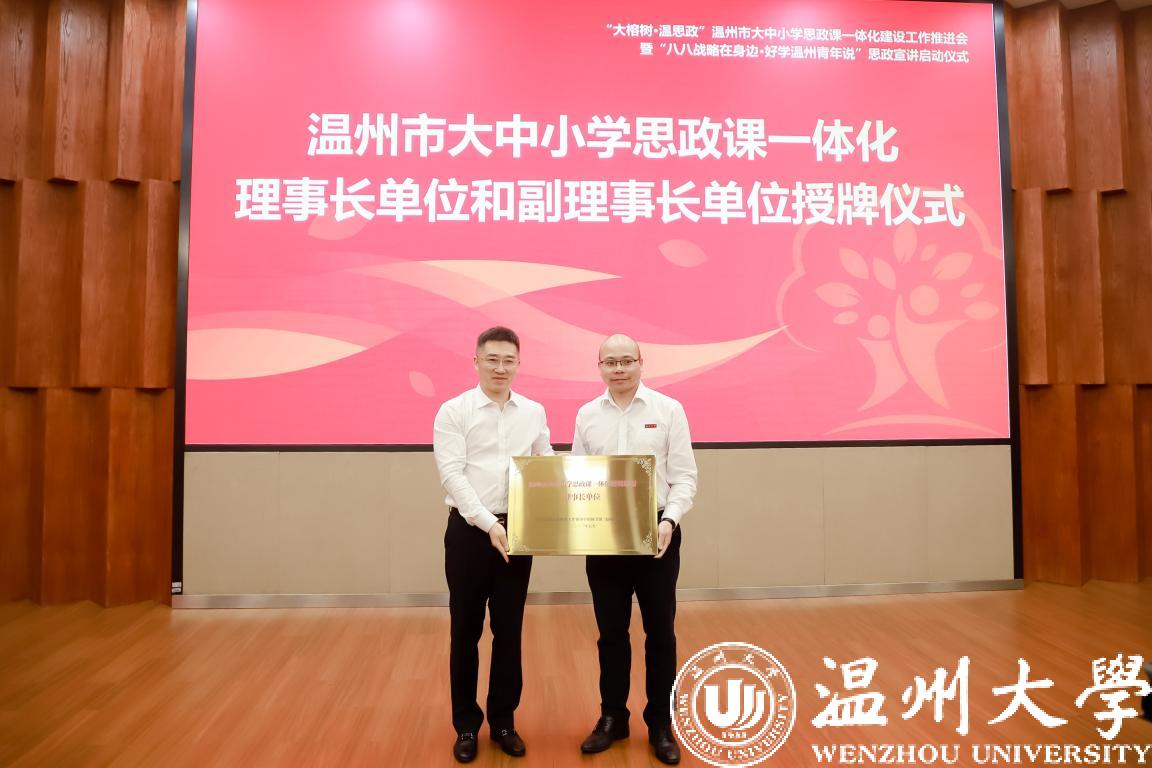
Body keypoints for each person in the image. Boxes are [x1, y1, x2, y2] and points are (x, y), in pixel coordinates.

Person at [571, 333, 698, 765]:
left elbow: (685, 477)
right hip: (603, 536)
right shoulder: (587, 415)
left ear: (642, 363)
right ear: (600, 367)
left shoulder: (668, 410)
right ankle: (613, 717)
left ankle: (661, 723)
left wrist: (669, 520)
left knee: (660, 633)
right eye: (611, 362)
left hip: (657, 533)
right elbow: (578, 478)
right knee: (611, 633)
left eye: (627, 361)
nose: (619, 369)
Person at [433, 326, 553, 763]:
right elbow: (452, 474)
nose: (500, 368)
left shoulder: (533, 412)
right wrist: (487, 524)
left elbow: (545, 463)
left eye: (508, 360)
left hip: (519, 532)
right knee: (465, 631)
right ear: (477, 361)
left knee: (508, 630)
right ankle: (466, 725)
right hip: (469, 533)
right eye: (492, 359)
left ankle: (503, 722)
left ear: (518, 364)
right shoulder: (454, 411)